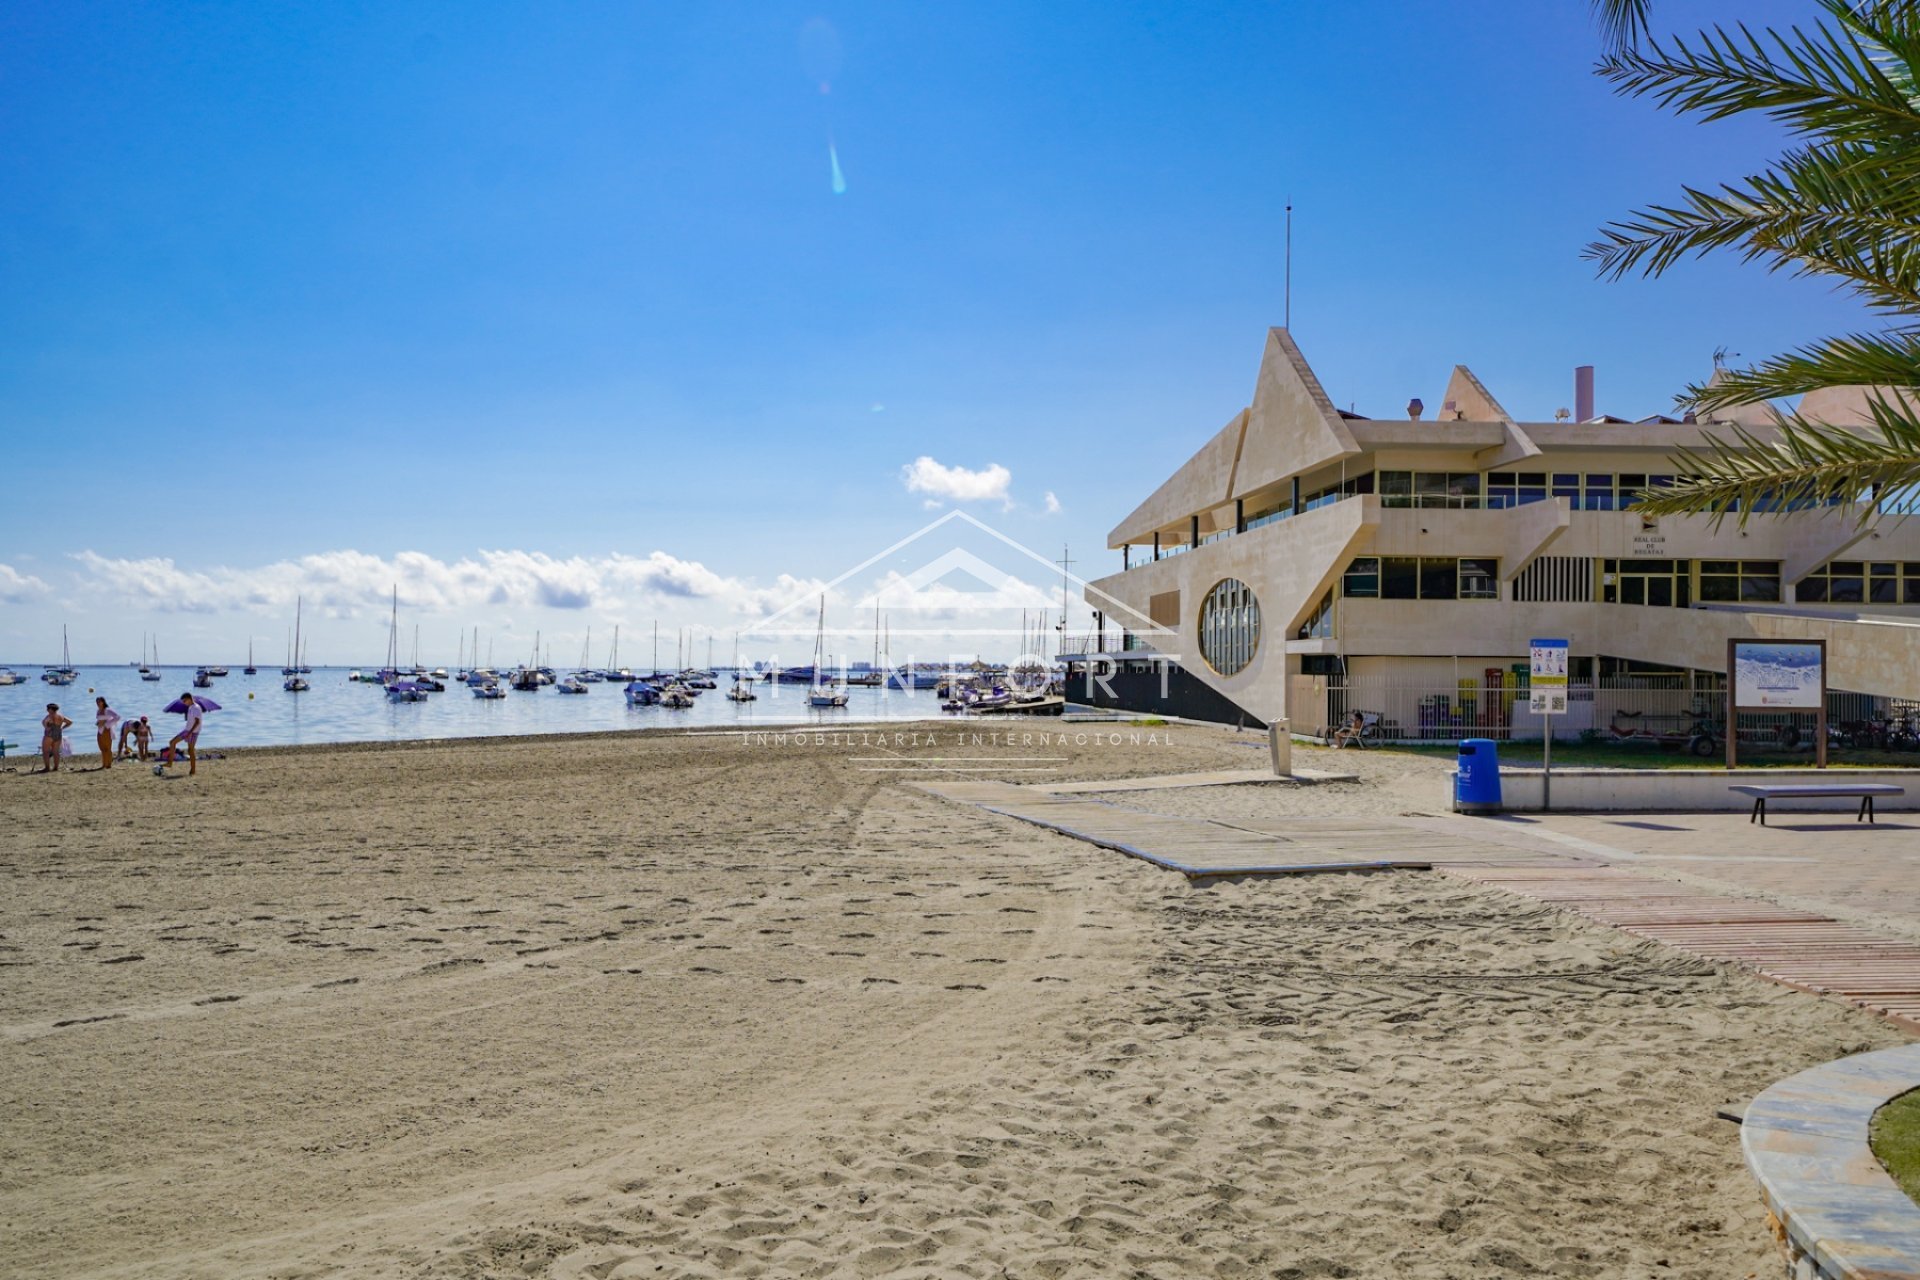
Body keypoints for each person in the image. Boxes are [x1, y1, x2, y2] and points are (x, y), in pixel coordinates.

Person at [165, 693, 204, 777]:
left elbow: (197, 722)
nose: (184, 703)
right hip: (187, 730)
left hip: (193, 732)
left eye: (184, 701)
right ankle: (170, 763)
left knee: (190, 750)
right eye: (183, 701)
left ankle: (193, 770)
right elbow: (192, 720)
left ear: (189, 699)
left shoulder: (196, 708)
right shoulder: (190, 707)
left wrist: (189, 733)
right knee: (172, 742)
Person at [39, 703, 72, 774]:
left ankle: (47, 768)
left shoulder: (50, 716)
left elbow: (44, 722)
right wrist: (63, 727)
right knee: (56, 752)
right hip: (58, 734)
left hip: (49, 735)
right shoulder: (61, 716)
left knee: (45, 751)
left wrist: (46, 727)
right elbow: (70, 722)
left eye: (48, 708)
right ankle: (55, 767)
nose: (47, 710)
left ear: (51, 709)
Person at [94, 696, 120, 770]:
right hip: (99, 730)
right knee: (102, 748)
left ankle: (108, 765)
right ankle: (104, 764)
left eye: (99, 701)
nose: (97, 703)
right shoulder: (98, 710)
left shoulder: (108, 710)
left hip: (107, 730)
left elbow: (117, 717)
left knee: (107, 748)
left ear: (103, 702)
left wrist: (106, 724)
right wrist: (97, 723)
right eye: (96, 702)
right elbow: (100, 719)